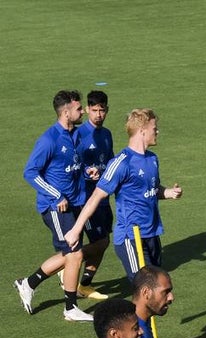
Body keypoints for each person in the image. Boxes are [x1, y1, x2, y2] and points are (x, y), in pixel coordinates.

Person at [65, 109, 183, 282]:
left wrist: (169, 193)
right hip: (131, 237)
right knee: (146, 286)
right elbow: (96, 196)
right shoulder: (121, 163)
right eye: (154, 128)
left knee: (157, 287)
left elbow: (152, 189)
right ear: (142, 131)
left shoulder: (152, 159)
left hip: (152, 234)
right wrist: (76, 230)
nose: (157, 131)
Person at [14, 90, 93, 322]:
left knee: (70, 255)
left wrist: (87, 171)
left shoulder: (76, 135)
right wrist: (56, 195)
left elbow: (74, 164)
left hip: (76, 202)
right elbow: (30, 172)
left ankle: (28, 283)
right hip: (56, 207)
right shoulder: (49, 139)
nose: (83, 111)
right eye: (78, 108)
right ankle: (70, 308)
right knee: (74, 254)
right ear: (66, 112)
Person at [72, 90, 114, 300]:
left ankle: (84, 285)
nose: (99, 114)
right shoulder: (78, 134)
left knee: (104, 241)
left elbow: (110, 162)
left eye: (102, 110)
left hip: (103, 198)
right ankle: (67, 262)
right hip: (85, 198)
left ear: (107, 110)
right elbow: (70, 165)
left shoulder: (106, 134)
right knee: (101, 242)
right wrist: (86, 171)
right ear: (88, 109)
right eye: (95, 110)